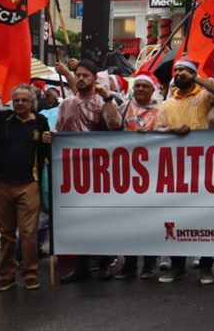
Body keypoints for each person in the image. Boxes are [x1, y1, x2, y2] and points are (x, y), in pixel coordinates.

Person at [154, 57, 214, 285]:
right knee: (178, 219)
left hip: (204, 168)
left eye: (184, 70)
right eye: (177, 70)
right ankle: (178, 267)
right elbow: (156, 130)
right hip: (176, 171)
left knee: (205, 218)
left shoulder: (204, 95)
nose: (179, 74)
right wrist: (171, 130)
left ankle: (206, 267)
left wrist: (196, 77)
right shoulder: (167, 104)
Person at [56, 59, 123, 284]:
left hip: (99, 172)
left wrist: (107, 98)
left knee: (100, 219)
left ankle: (103, 264)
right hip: (74, 172)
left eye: (86, 75)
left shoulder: (102, 101)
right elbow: (59, 132)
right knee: (78, 220)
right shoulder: (65, 104)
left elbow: (115, 124)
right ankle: (82, 266)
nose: (81, 78)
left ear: (95, 78)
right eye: (78, 75)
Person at [0, 84, 52, 292]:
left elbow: (46, 152)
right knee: (6, 233)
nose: (20, 104)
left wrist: (48, 141)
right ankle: (7, 275)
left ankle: (31, 273)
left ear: (32, 103)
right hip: (3, 185)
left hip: (29, 185)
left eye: (25, 100)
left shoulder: (41, 122)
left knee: (28, 233)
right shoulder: (1, 120)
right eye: (16, 100)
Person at [114, 73, 162, 281]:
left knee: (150, 220)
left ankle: (150, 264)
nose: (141, 89)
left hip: (152, 172)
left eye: (145, 86)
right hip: (127, 172)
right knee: (128, 222)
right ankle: (130, 264)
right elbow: (112, 127)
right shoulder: (124, 107)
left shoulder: (161, 110)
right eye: (138, 86)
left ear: (153, 90)